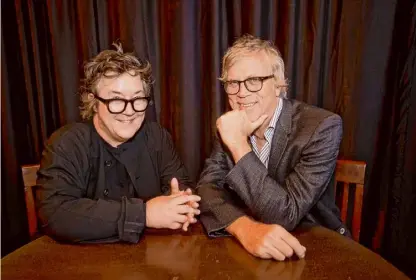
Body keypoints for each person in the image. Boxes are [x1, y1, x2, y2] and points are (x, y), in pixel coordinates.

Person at [197, 34, 348, 261]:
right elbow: (207, 189)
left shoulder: (321, 127)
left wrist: (238, 144)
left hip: (317, 246)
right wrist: (244, 228)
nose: (241, 92)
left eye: (254, 80)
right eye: (233, 83)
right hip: (254, 247)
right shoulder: (231, 124)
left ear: (278, 85)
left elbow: (285, 215)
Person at [36, 44, 200, 243]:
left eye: (138, 99)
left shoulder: (157, 137)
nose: (129, 111)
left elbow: (181, 188)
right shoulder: (67, 143)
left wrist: (183, 205)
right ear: (93, 102)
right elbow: (55, 214)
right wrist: (144, 214)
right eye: (116, 99)